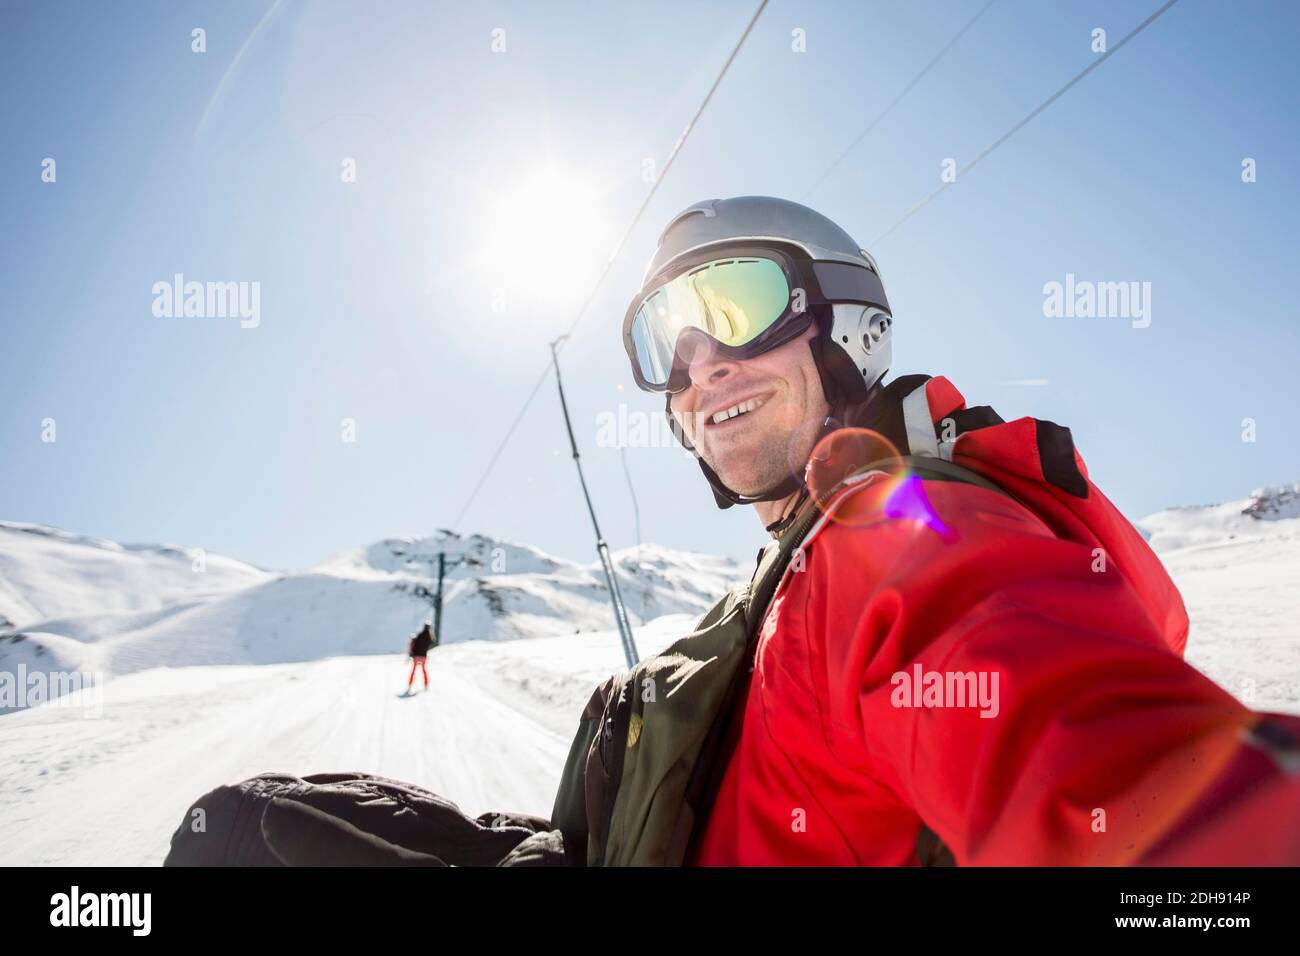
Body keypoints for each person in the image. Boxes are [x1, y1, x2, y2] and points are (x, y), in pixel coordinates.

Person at [165, 196, 1300, 868]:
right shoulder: (800, 551)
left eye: (738, 307)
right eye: (667, 340)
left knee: (229, 839)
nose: (701, 365)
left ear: (844, 327)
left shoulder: (905, 525)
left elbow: (1099, 772)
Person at [406, 622, 436, 692]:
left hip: (416, 656)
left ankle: (410, 684)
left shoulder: (419, 635)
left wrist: (412, 653)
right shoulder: (430, 637)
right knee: (424, 671)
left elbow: (414, 644)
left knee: (413, 671)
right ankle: (426, 684)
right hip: (423, 657)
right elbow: (433, 642)